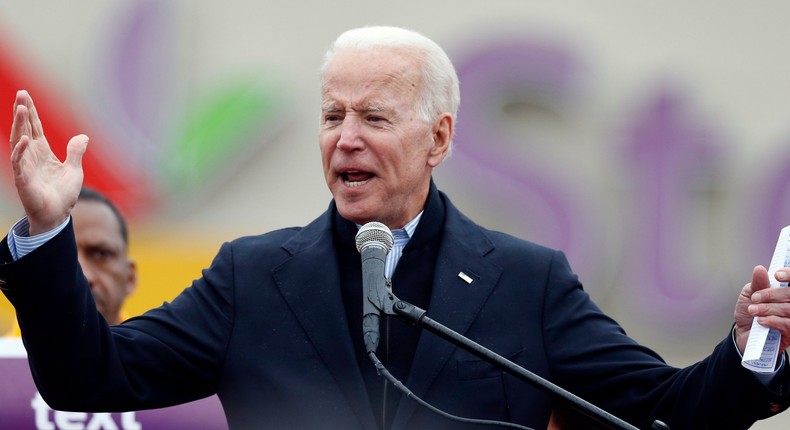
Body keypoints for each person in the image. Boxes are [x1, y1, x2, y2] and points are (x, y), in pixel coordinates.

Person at [2, 25, 790, 430]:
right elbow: (88, 377)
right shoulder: (249, 276)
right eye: (332, 115)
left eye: (374, 117)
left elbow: (665, 410)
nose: (346, 137)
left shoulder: (528, 282)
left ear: (439, 139)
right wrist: (43, 233)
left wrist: (753, 351)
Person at [3, 187, 135, 336]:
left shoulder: (159, 358)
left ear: (130, 277)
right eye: (56, 257)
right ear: (22, 279)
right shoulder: (4, 359)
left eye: (101, 254)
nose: (84, 276)